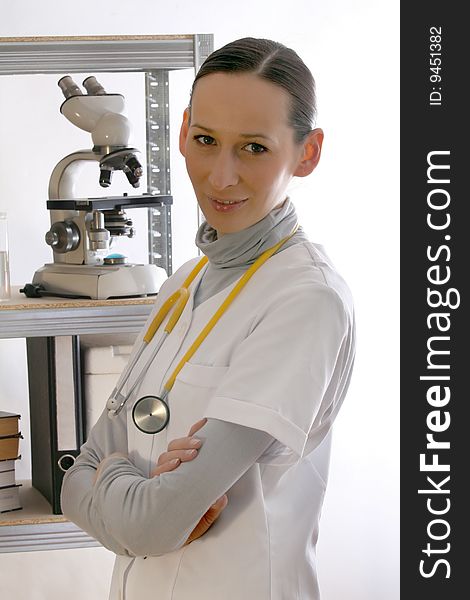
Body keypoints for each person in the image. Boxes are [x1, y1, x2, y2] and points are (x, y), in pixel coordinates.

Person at [61, 37, 356, 600]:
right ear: (182, 134)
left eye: (253, 148)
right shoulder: (183, 284)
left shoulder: (305, 300)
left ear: (308, 153)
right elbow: (80, 471)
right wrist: (128, 488)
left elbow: (143, 521)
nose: (221, 177)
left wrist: (111, 478)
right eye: (205, 140)